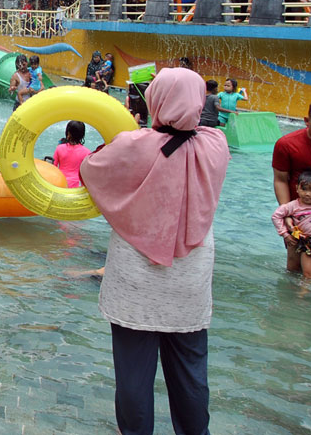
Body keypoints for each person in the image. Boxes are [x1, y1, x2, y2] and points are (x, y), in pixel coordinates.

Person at [79, 68, 230, 435]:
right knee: (192, 374)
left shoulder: (133, 145)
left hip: (136, 278)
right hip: (190, 277)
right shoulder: (216, 144)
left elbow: (91, 170)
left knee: (133, 376)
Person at [271, 101, 311, 273]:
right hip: (300, 215)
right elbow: (280, 179)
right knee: (295, 265)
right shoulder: (287, 144)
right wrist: (287, 212)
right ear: (306, 120)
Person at [271, 170, 311, 279]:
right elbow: (276, 216)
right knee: (308, 274)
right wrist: (285, 234)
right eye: (304, 189)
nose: (308, 193)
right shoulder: (293, 206)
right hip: (308, 244)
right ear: (297, 188)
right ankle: (301, 294)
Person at [53, 120, 89, 188]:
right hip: (76, 186)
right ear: (82, 134)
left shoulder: (59, 148)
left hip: (61, 183)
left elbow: (53, 167)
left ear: (68, 133)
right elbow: (87, 174)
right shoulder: (86, 152)